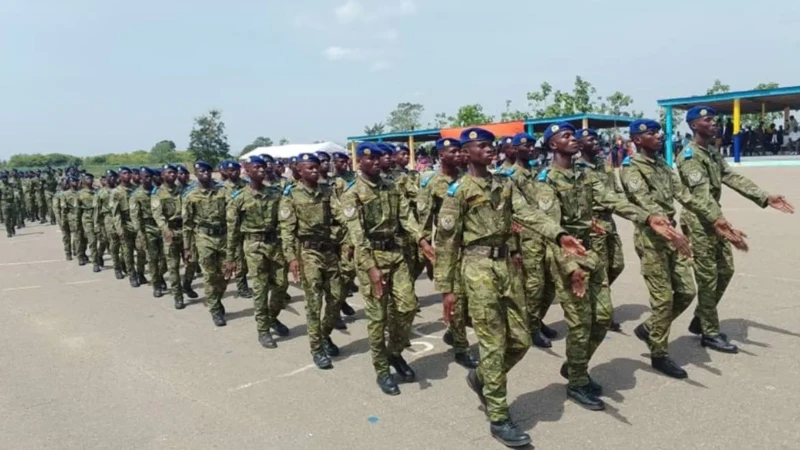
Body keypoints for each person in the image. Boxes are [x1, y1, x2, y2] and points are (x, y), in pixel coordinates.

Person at [435, 127, 587, 448]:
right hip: (477, 268)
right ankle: (499, 415)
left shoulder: (504, 183)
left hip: (508, 265)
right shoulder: (459, 190)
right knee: (492, 342)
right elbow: (446, 242)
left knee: (519, 338)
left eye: (492, 145)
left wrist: (558, 235)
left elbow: (527, 213)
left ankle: (482, 378)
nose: (490, 149)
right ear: (466, 153)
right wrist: (447, 289)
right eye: (482, 146)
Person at [538, 122, 689, 411]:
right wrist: (572, 268)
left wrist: (647, 218)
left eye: (573, 134)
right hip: (566, 256)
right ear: (553, 145)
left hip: (590, 252)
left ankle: (575, 366)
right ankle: (577, 382)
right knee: (581, 323)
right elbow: (551, 228)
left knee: (603, 316)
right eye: (566, 136)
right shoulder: (546, 180)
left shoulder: (584, 174)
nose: (574, 139)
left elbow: (611, 199)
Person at [623, 118, 749, 378]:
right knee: (663, 300)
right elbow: (642, 202)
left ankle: (649, 329)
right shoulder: (631, 168)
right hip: (651, 238)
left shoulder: (662, 165)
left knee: (687, 291)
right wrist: (670, 232)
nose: (660, 136)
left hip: (672, 236)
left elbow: (686, 195)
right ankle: (659, 354)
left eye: (660, 132)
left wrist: (717, 220)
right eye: (652, 133)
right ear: (637, 140)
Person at [676, 106, 795, 353]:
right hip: (700, 220)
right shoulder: (690, 156)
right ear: (694, 126)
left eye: (714, 119)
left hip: (715, 218)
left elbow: (732, 177)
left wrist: (764, 197)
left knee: (726, 270)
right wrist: (719, 222)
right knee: (708, 277)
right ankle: (709, 331)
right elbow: (701, 197)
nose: (714, 123)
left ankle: (701, 318)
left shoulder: (711, 152)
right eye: (708, 120)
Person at [341, 142, 435, 396]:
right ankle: (382, 369)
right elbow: (357, 236)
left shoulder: (392, 187)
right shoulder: (353, 193)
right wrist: (370, 267)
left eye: (380, 159)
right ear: (359, 162)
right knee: (377, 317)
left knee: (406, 307)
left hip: (396, 254)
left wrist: (422, 241)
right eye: (370, 160)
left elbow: (406, 217)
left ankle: (393, 352)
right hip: (371, 258)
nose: (376, 163)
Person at [280, 153, 345, 369]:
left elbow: (340, 218)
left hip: (329, 250)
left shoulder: (327, 191)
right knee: (314, 302)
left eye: (316, 167)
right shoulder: (291, 195)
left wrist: (340, 237)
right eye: (309, 168)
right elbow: (287, 230)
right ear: (299, 170)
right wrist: (291, 258)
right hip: (308, 253)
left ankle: (324, 335)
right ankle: (316, 348)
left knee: (336, 298)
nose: (315, 171)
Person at [417, 138, 479, 369]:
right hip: (448, 250)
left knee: (473, 300)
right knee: (457, 301)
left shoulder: (468, 180)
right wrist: (426, 249)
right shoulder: (432, 183)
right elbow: (422, 221)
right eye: (453, 151)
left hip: (473, 249)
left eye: (460, 151)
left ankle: (454, 333)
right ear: (441, 155)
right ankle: (461, 348)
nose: (459, 155)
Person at [224, 155, 290, 339]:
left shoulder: (276, 194)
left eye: (263, 167)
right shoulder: (239, 199)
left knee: (281, 285)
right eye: (257, 168)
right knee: (260, 288)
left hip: (274, 244)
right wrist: (230, 258)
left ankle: (271, 317)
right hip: (253, 246)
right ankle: (262, 329)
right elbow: (232, 231)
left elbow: (285, 222)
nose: (262, 170)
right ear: (247, 171)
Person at [575, 128, 626, 332]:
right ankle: (599, 311)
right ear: (580, 145)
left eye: (596, 138)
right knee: (600, 270)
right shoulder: (577, 168)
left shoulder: (603, 164)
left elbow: (615, 191)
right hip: (593, 223)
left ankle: (598, 302)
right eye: (590, 139)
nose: (596, 142)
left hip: (609, 220)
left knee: (617, 264)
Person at [184, 161, 229, 327]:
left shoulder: (223, 191)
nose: (206, 174)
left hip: (223, 237)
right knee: (209, 275)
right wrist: (187, 247)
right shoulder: (191, 196)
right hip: (204, 238)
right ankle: (215, 309)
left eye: (208, 171)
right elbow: (187, 224)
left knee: (225, 274)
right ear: (196, 174)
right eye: (201, 171)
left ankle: (216, 298)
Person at [331, 151, 358, 319]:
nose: (340, 165)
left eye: (342, 161)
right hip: (336, 232)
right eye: (337, 162)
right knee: (337, 272)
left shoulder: (355, 178)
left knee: (349, 270)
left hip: (353, 228)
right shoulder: (329, 182)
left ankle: (340, 300)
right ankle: (335, 311)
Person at [111, 167, 144, 288]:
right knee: (128, 252)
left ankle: (140, 273)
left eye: (129, 173)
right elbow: (116, 213)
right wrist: (119, 229)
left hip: (137, 224)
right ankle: (132, 275)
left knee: (141, 250)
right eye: (124, 173)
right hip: (125, 224)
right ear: (120, 176)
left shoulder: (136, 189)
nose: (128, 175)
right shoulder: (116, 192)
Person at [77, 173, 101, 272]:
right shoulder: (80, 194)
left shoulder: (97, 192)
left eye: (91, 178)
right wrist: (77, 223)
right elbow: (77, 209)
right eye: (87, 178)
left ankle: (99, 256)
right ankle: (95, 263)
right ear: (83, 180)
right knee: (92, 240)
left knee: (103, 240)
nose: (90, 179)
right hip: (87, 218)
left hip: (98, 217)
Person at [0, 172, 17, 238]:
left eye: (5, 178)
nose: (4, 179)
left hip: (12, 203)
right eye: (3, 178)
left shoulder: (12, 185)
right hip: (4, 203)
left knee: (14, 218)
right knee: (6, 219)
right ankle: (9, 232)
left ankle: (12, 226)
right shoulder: (0, 186)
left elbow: (17, 188)